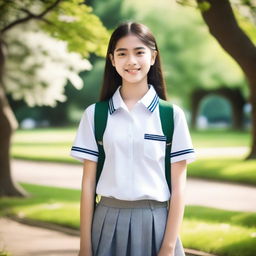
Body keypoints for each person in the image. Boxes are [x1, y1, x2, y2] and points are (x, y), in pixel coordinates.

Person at [70, 22, 196, 256]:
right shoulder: (95, 115)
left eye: (139, 52)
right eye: (122, 53)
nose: (131, 61)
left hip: (156, 224)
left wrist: (168, 248)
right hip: (105, 222)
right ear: (112, 60)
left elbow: (179, 188)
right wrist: (84, 246)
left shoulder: (171, 116)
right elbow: (87, 185)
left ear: (153, 57)